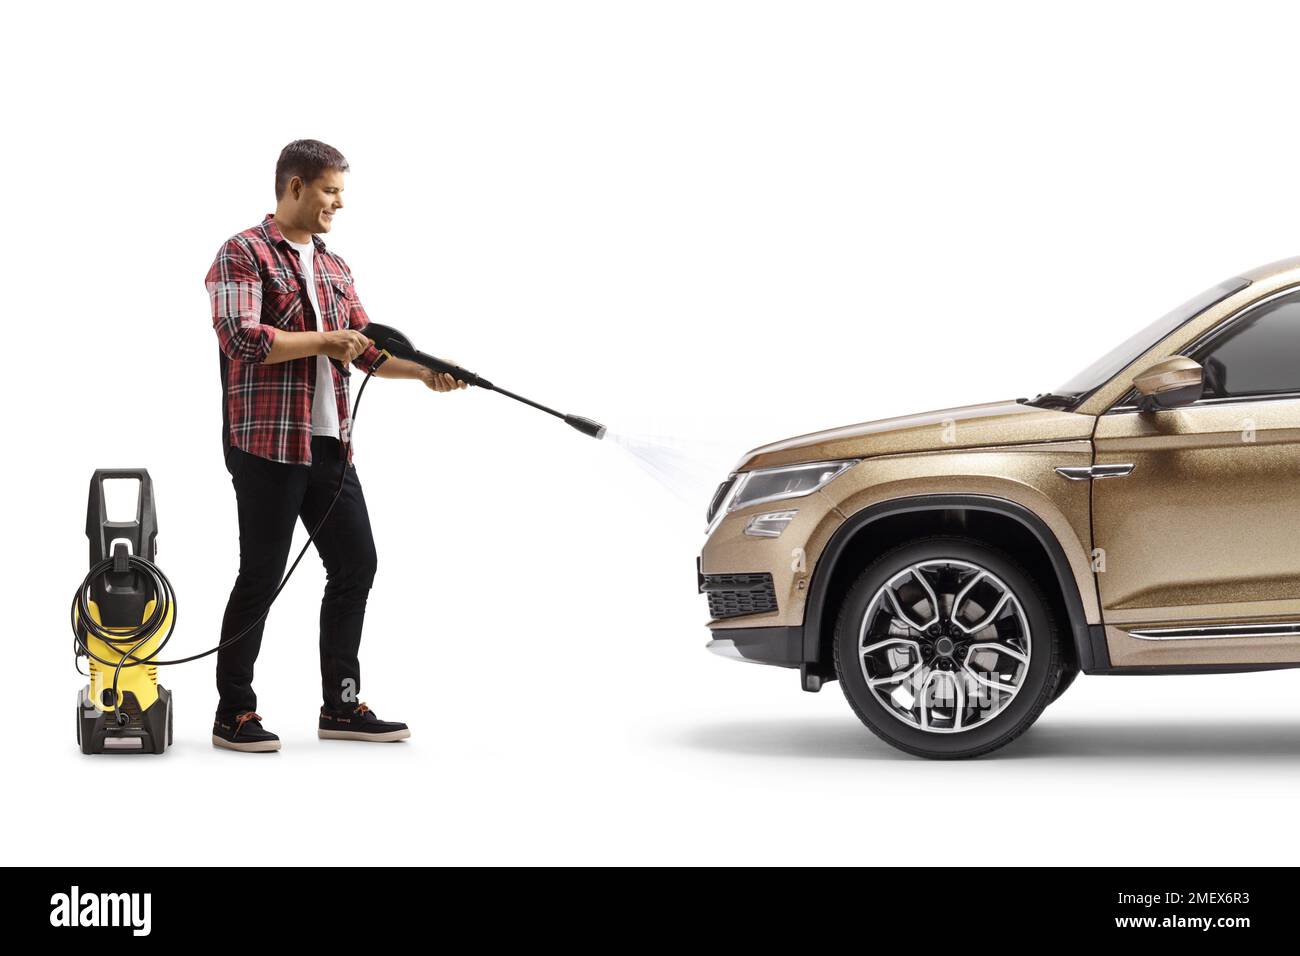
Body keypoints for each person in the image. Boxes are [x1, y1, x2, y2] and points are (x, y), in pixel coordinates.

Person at [205, 139, 465, 752]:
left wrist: (426, 369)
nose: (338, 204)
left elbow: (366, 348)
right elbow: (242, 339)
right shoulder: (241, 253)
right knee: (261, 576)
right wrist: (325, 340)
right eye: (329, 191)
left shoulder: (335, 267)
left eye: (342, 193)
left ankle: (341, 708)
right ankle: (233, 713)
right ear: (294, 186)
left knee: (356, 565)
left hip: (329, 444)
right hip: (266, 444)